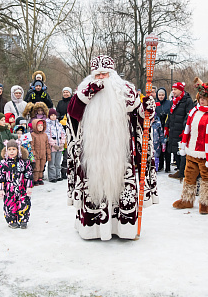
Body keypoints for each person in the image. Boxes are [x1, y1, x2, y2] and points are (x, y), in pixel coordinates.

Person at [66, 54, 158, 240]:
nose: (101, 78)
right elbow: (73, 115)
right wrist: (86, 94)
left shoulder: (126, 91)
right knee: (94, 189)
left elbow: (140, 118)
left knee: (122, 189)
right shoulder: (83, 91)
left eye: (105, 74)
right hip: (92, 155)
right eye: (97, 75)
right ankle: (93, 230)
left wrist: (147, 108)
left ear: (112, 75)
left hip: (120, 154)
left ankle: (123, 229)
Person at [173, 79, 208, 215]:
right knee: (189, 177)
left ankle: (205, 203)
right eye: (200, 98)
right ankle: (187, 200)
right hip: (191, 152)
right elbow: (188, 130)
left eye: (205, 98)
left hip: (206, 155)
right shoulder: (194, 112)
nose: (202, 101)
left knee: (207, 180)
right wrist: (184, 146)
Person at [0, 139, 33, 229]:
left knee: (24, 204)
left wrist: (29, 186)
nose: (11, 151)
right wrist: (0, 189)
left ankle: (23, 220)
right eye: (9, 149)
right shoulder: (3, 163)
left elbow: (29, 174)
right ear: (6, 151)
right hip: (9, 189)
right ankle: (11, 220)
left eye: (14, 149)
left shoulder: (24, 162)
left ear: (18, 150)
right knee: (10, 205)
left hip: (22, 188)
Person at [165, 82, 194, 179]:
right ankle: (179, 170)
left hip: (182, 131)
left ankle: (183, 172)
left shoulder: (187, 101)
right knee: (174, 151)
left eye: (175, 89)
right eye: (172, 89)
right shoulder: (173, 101)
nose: (173, 91)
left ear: (181, 90)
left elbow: (189, 116)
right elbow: (170, 115)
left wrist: (185, 129)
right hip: (173, 129)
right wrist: (167, 126)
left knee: (181, 152)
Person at [56, 87, 72, 179]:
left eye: (67, 92)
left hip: (70, 126)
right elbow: (57, 112)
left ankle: (68, 169)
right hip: (61, 127)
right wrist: (59, 118)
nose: (66, 94)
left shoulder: (72, 101)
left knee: (68, 150)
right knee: (62, 149)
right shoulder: (60, 103)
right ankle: (62, 170)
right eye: (64, 92)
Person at [46, 108, 66, 182]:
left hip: (59, 146)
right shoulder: (48, 124)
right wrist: (53, 144)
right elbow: (47, 135)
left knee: (58, 162)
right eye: (52, 115)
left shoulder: (59, 124)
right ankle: (52, 177)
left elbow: (63, 134)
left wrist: (62, 143)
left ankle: (58, 175)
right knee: (52, 163)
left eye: (55, 115)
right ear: (49, 116)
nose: (53, 117)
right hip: (52, 147)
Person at [155, 87, 172, 172]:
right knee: (160, 148)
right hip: (158, 128)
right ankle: (160, 165)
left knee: (167, 148)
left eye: (162, 95)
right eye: (159, 95)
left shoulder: (169, 103)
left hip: (166, 128)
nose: (161, 96)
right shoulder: (155, 104)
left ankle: (168, 166)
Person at [31, 118, 51, 185]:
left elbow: (47, 145)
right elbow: (32, 145)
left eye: (41, 126)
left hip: (43, 154)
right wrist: (33, 154)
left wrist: (48, 154)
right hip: (36, 154)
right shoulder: (33, 135)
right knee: (36, 167)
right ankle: (35, 179)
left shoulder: (45, 135)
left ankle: (40, 178)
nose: (40, 127)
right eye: (38, 126)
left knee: (42, 167)